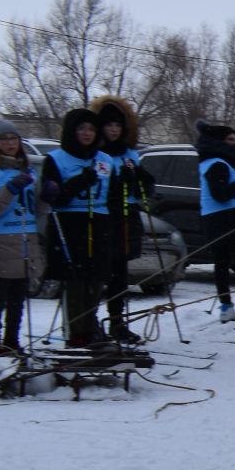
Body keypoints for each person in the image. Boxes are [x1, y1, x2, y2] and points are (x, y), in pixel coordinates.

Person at [39, 107, 115, 346]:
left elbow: (113, 195)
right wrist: (80, 181)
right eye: (81, 128)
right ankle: (75, 333)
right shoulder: (56, 158)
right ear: (72, 131)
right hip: (70, 224)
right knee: (75, 281)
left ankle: (90, 327)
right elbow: (54, 197)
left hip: (99, 222)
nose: (86, 133)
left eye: (91, 129)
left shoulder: (105, 160)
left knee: (95, 280)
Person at [0, 120, 45, 361]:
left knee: (17, 300)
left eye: (13, 139)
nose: (10, 144)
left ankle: (11, 342)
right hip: (1, 241)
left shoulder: (27, 170)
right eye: (4, 140)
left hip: (26, 240)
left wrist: (48, 197)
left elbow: (35, 209)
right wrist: (11, 189)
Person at [92, 96, 153, 345]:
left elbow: (141, 188)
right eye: (109, 126)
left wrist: (138, 178)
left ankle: (118, 321)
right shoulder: (97, 153)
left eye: (117, 126)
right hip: (104, 216)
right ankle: (90, 320)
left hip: (127, 217)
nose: (113, 130)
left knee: (120, 272)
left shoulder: (130, 154)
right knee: (100, 271)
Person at [194, 120, 235, 324]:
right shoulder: (218, 164)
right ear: (220, 142)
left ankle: (228, 306)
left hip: (220, 218)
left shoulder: (215, 163)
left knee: (224, 263)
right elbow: (221, 194)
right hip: (226, 218)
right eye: (231, 140)